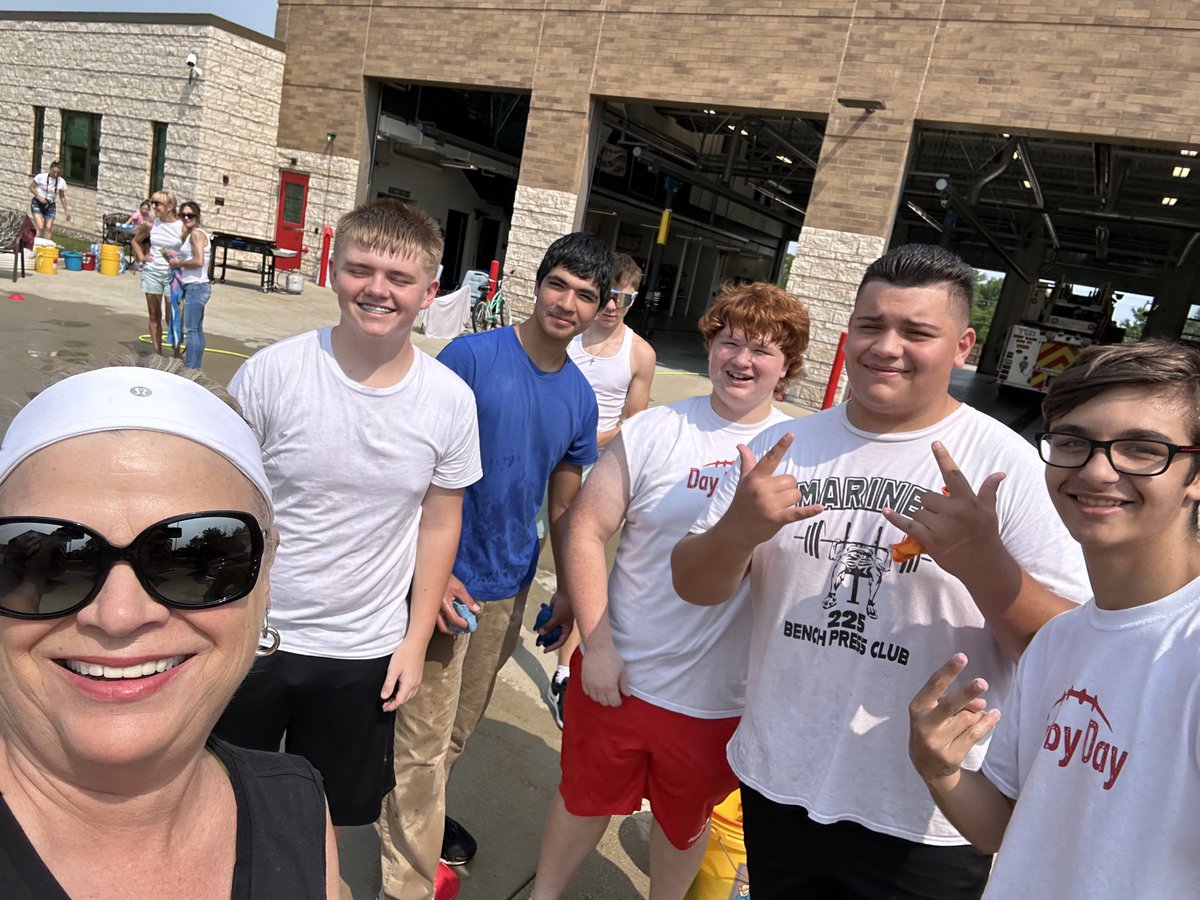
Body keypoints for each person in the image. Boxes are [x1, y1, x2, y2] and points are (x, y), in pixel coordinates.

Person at [672, 243, 1090, 899]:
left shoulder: (1004, 469)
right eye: (872, 325)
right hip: (780, 779)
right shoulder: (783, 448)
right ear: (850, 332)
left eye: (917, 331)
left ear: (963, 346)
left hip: (925, 811)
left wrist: (986, 567)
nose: (886, 346)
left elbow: (1071, 658)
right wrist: (736, 533)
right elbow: (693, 585)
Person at [0, 358, 338, 898]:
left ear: (266, 576)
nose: (118, 616)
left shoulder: (295, 807)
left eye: (200, 558)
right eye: (52, 561)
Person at [532, 282, 809, 899]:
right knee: (583, 800)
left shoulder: (804, 451)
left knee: (684, 826)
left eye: (762, 350)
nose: (742, 360)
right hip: (621, 673)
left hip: (719, 698)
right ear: (710, 346)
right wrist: (596, 646)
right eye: (730, 342)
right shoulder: (655, 429)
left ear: (787, 366)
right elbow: (586, 528)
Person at [213, 199, 481, 837]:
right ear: (333, 271)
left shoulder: (449, 400)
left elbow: (440, 523)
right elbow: (223, 502)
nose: (377, 291)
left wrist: (414, 643)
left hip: (362, 647)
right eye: (361, 270)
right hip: (255, 634)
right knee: (219, 803)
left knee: (322, 820)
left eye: (399, 279)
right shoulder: (271, 375)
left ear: (428, 291)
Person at [909, 340, 1200, 899]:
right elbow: (999, 826)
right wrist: (938, 767)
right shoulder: (1060, 639)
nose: (1096, 471)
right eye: (1072, 442)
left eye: (1141, 449)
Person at [378, 232, 608, 900]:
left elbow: (565, 507)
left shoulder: (579, 398)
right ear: (536, 285)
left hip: (508, 584)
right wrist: (433, 575)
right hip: (444, 578)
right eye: (559, 284)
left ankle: (414, 828)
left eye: (585, 295)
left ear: (601, 308)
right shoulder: (470, 359)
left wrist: (567, 588)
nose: (568, 302)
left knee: (452, 735)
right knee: (421, 741)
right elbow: (412, 470)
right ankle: (408, 885)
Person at [545, 251, 657, 727]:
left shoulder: (639, 353)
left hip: (591, 466)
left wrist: (584, 436)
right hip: (541, 455)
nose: (614, 307)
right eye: (609, 295)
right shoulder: (566, 335)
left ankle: (563, 670)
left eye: (625, 300)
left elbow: (635, 422)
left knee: (579, 564)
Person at [132, 191, 183, 356]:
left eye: (158, 204)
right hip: (152, 272)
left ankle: (176, 354)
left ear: (170, 207)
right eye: (153, 203)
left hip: (172, 276)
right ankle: (157, 354)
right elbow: (135, 241)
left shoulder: (181, 227)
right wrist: (141, 257)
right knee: (154, 316)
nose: (154, 206)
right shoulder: (151, 225)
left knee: (171, 316)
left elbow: (191, 248)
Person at [167, 200, 212, 369]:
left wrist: (178, 263)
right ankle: (195, 367)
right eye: (183, 215)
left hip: (196, 286)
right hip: (198, 286)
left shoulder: (196, 235)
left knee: (191, 330)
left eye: (190, 215)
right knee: (196, 330)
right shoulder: (196, 234)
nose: (186, 218)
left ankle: (192, 368)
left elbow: (199, 261)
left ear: (197, 216)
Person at [28, 160, 69, 240]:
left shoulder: (61, 182)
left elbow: (62, 197)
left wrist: (66, 211)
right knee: (40, 226)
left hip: (50, 205)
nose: (55, 174)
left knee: (48, 227)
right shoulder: (41, 177)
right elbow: (31, 187)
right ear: (50, 169)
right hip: (37, 203)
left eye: (58, 173)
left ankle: (46, 248)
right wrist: (39, 197)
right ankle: (34, 246)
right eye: (54, 172)